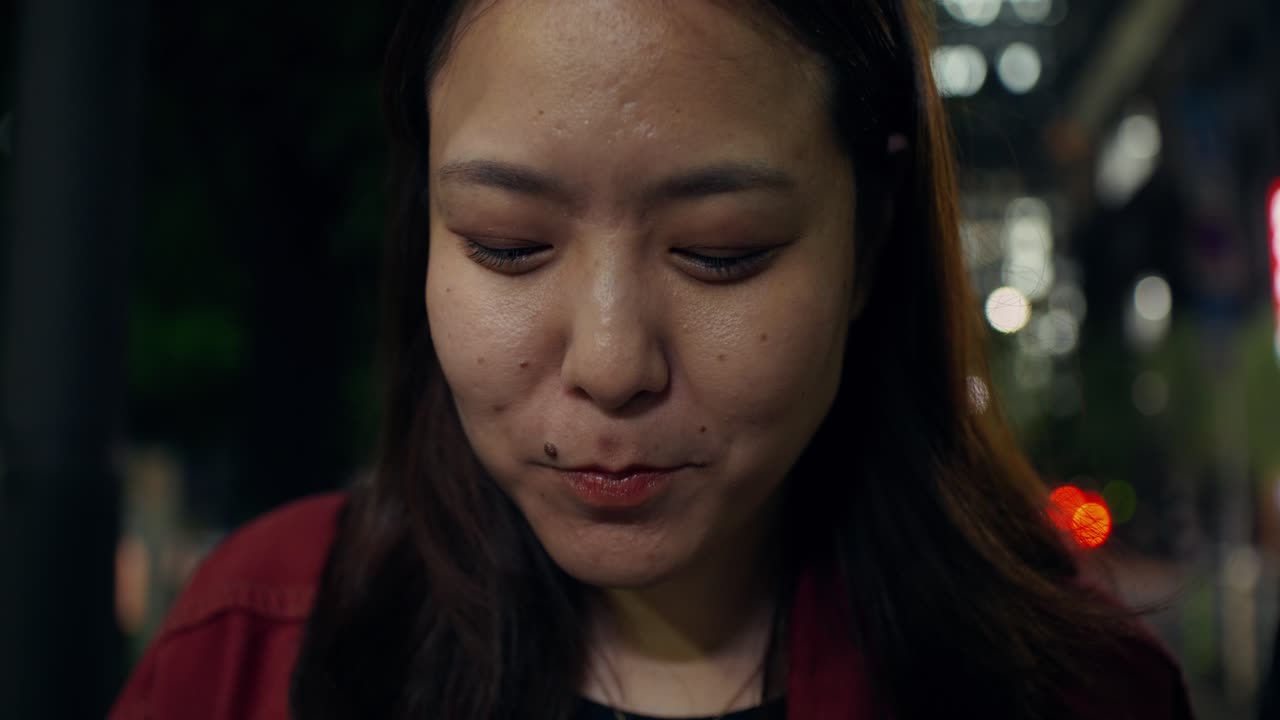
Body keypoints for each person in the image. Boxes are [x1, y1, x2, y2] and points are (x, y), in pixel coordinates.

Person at [111, 1, 1196, 718]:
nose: (612, 361)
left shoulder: (1074, 693)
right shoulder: (247, 655)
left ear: (868, 240)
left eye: (719, 254)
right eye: (507, 244)